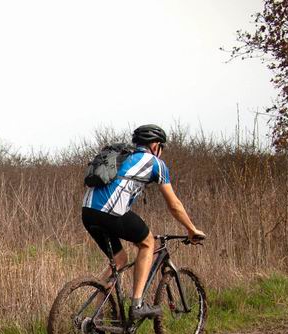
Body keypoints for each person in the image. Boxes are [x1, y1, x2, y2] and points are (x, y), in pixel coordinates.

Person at [81, 124, 206, 320]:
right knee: (148, 243)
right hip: (110, 212)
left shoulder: (123, 155)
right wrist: (191, 229)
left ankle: (96, 319)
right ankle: (137, 304)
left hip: (88, 212)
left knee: (119, 261)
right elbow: (174, 204)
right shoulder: (156, 163)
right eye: (161, 147)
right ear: (155, 145)